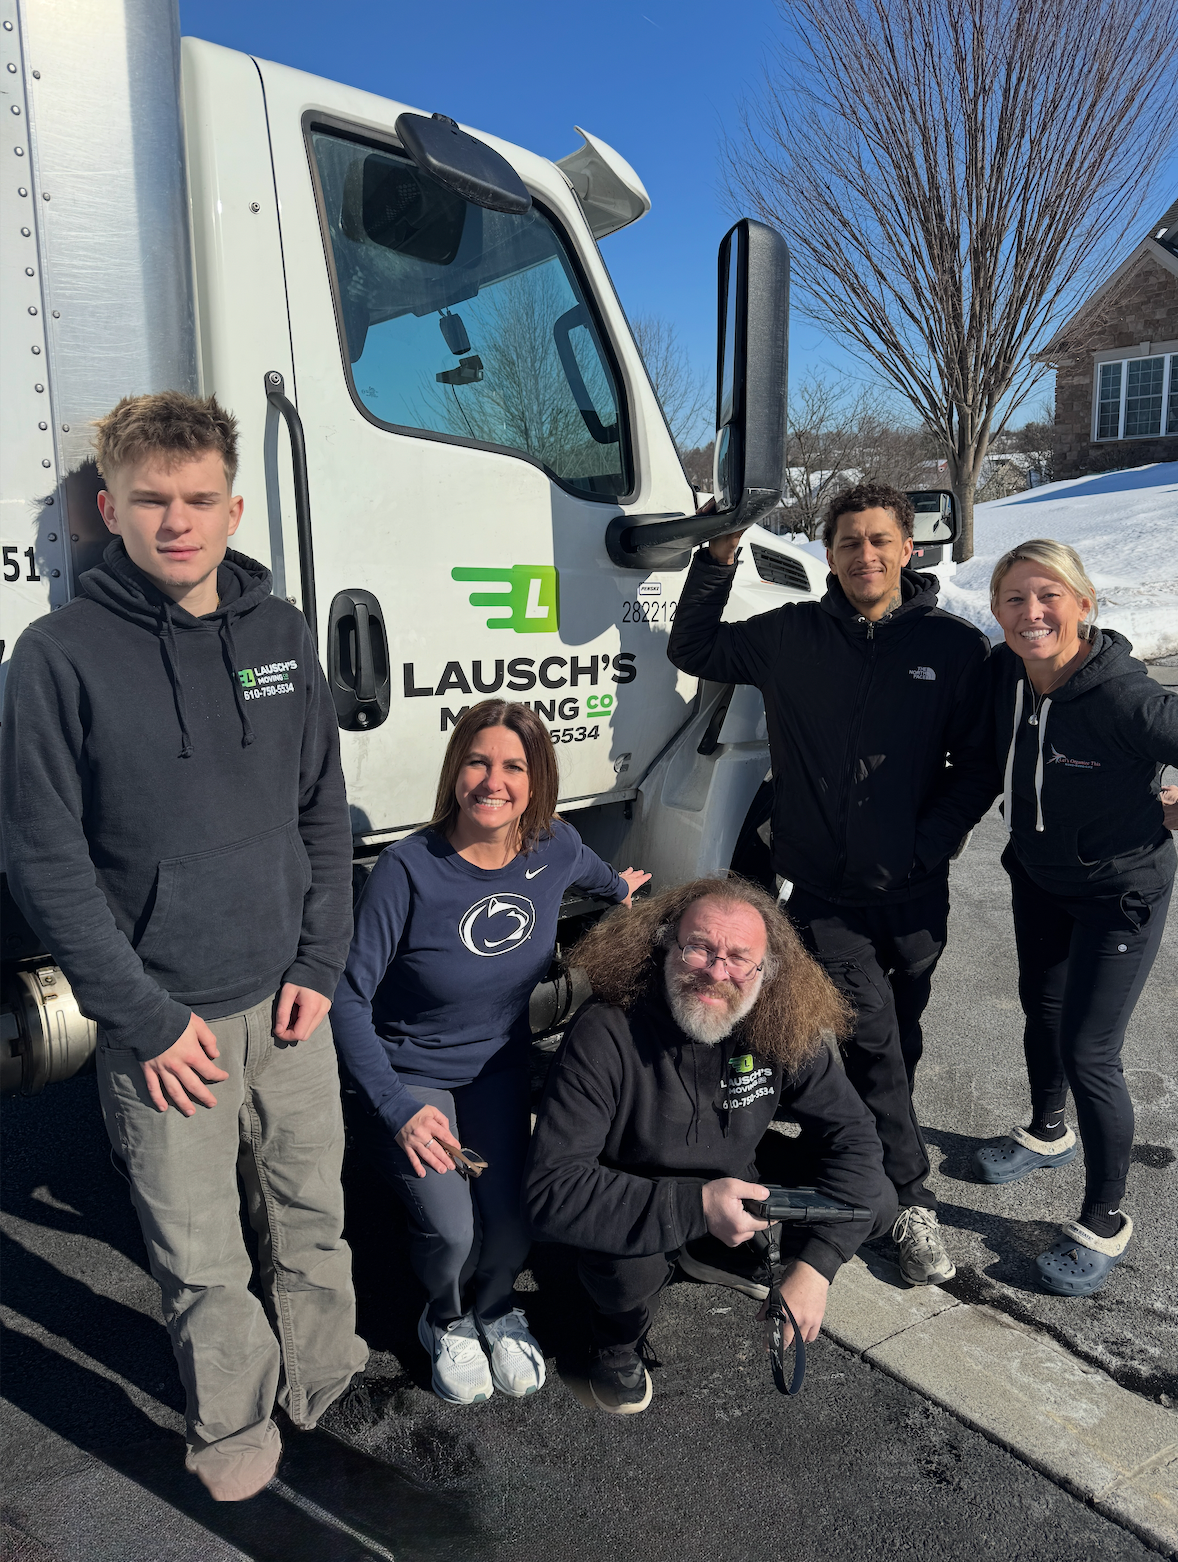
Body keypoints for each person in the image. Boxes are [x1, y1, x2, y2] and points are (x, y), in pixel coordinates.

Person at [1, 392, 366, 1501]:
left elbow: (321, 807)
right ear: (108, 509)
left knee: (313, 1215)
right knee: (201, 1253)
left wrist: (317, 966)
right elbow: (44, 861)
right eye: (151, 499)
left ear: (233, 506)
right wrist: (146, 1020)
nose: (177, 520)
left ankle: (324, 1377)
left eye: (199, 498)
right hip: (168, 1024)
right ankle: (233, 1426)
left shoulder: (282, 632)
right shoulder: (57, 656)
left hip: (290, 1009)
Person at [667, 483, 993, 1286]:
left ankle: (855, 1165)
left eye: (881, 541)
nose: (866, 556)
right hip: (823, 891)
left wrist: (930, 842)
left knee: (895, 1038)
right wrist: (717, 557)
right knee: (871, 1031)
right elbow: (695, 648)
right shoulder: (789, 636)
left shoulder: (952, 648)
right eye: (849, 543)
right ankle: (907, 1200)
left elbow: (978, 766)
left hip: (916, 891)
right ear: (830, 554)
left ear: (908, 550)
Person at [331, 699, 649, 1406]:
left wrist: (625, 895)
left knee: (513, 1221)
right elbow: (346, 1000)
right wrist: (395, 1108)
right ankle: (443, 1316)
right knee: (452, 1231)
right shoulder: (406, 871)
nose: (492, 780)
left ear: (538, 782)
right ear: (454, 769)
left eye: (514, 766)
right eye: (478, 761)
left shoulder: (555, 848)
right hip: (411, 1078)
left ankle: (496, 1307)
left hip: (498, 1069)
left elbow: (602, 880)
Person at [525, 877, 895, 1415]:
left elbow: (854, 1138)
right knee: (627, 1268)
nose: (717, 973)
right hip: (634, 1186)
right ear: (663, 946)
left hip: (733, 1177)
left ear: (766, 969)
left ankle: (715, 1251)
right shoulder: (606, 1030)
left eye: (740, 958)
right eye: (699, 947)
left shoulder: (781, 1022)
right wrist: (696, 1206)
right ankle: (615, 1342)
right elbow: (551, 1189)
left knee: (876, 1200)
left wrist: (816, 1267)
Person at [973, 539, 1178, 1295]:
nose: (1032, 613)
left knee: (1091, 1053)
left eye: (1048, 595)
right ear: (996, 612)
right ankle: (1046, 1132)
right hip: (1040, 879)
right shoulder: (1006, 674)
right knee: (1043, 1010)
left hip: (1120, 892)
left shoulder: (1126, 698)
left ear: (1083, 603)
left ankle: (1105, 1219)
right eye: (1015, 599)